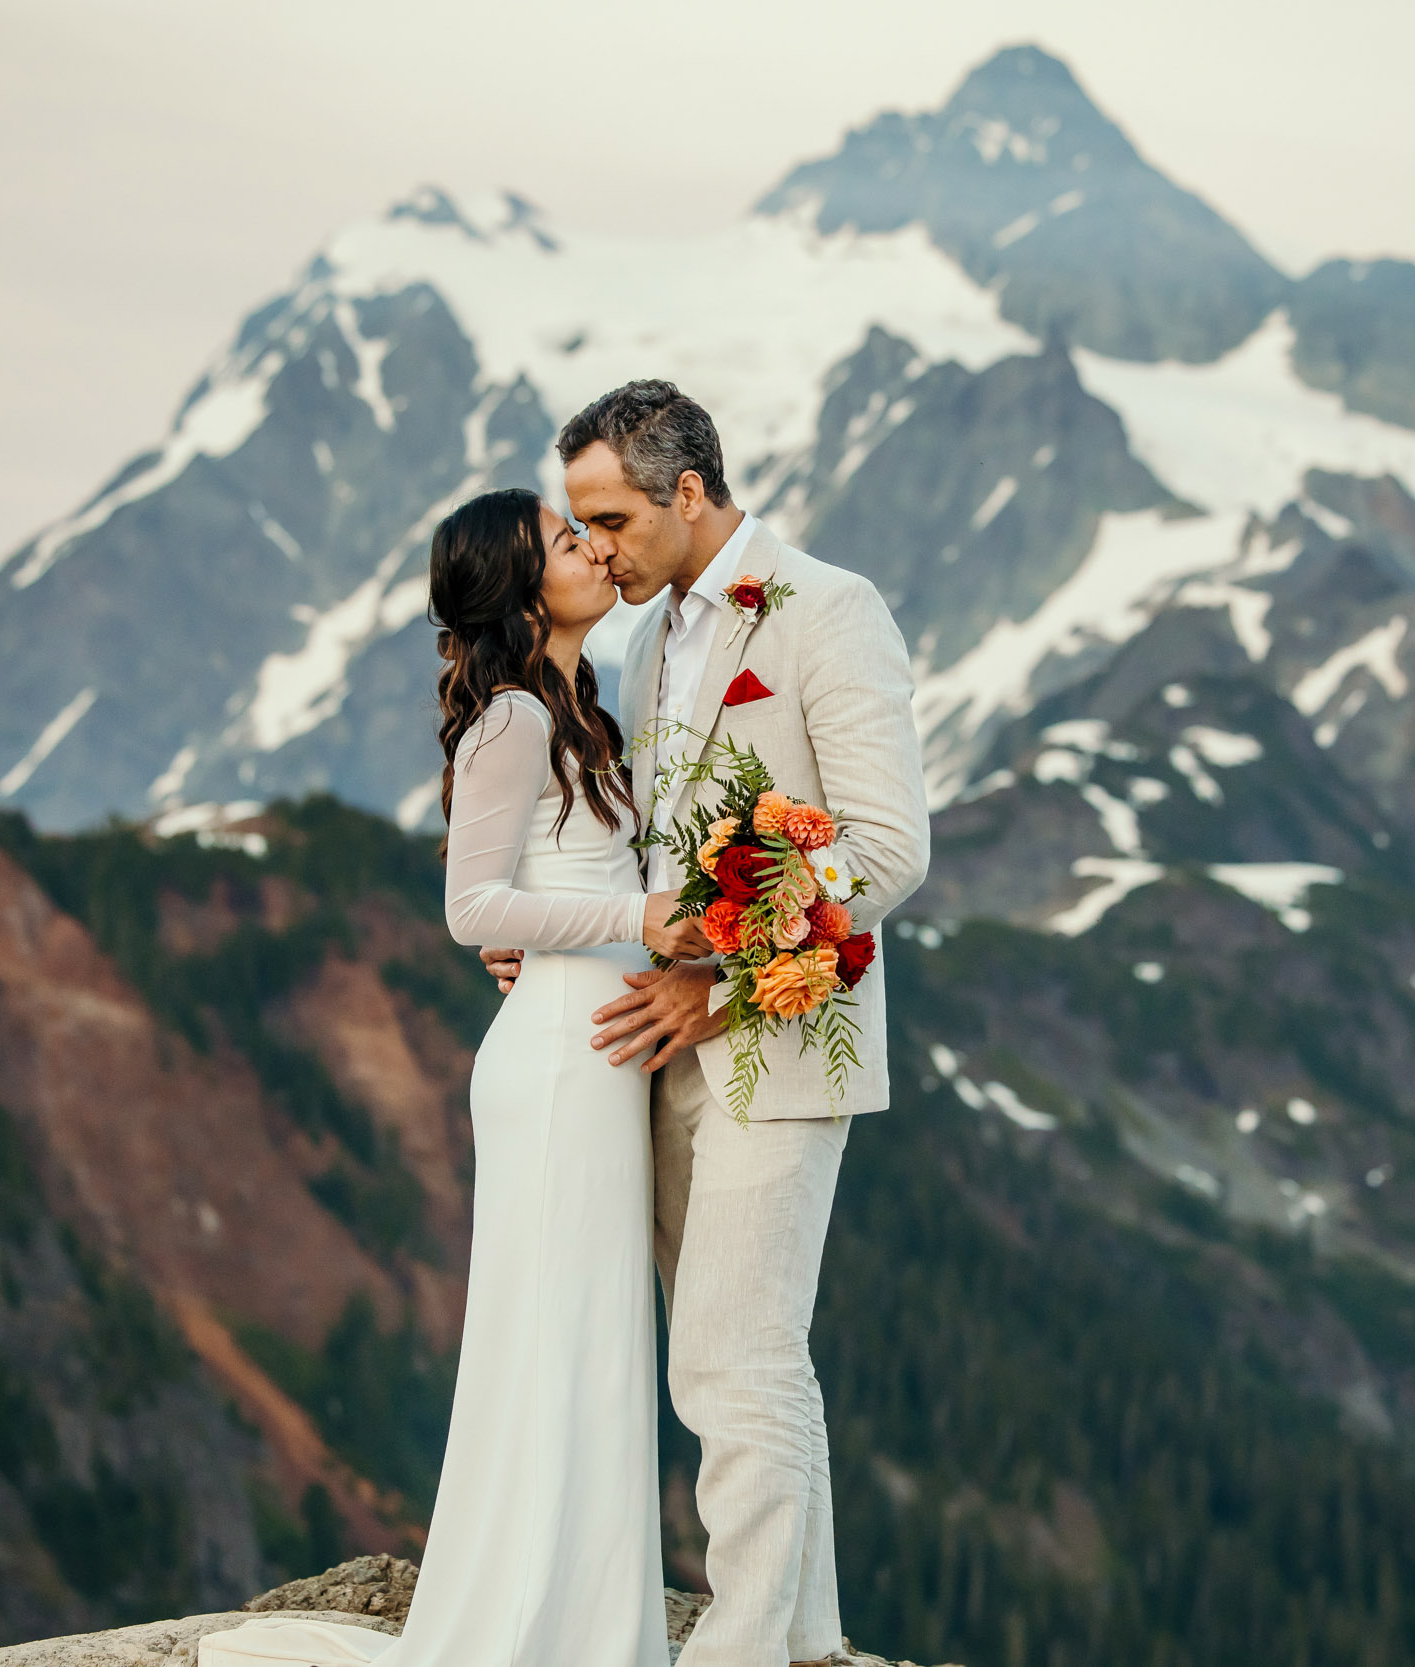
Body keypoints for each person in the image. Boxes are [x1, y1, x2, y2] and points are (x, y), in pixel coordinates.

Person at [204, 487, 709, 1667]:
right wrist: (639, 913)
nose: (591, 547)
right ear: (523, 585)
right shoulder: (513, 721)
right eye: (565, 538)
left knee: (588, 1334)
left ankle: (586, 1617)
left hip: (592, 1045)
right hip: (552, 1060)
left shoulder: (582, 709)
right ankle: (537, 1625)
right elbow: (468, 903)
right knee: (550, 1334)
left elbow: (531, 892)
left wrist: (604, 925)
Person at [483, 381, 931, 1667]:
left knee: (734, 1363)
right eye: (583, 521)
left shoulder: (827, 612)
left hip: (787, 1044)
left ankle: (738, 1650)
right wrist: (560, 927)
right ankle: (807, 1636)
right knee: (739, 1360)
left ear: (690, 493)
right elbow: (663, 862)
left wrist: (720, 980)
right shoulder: (645, 636)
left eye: (612, 517)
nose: (595, 546)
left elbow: (886, 848)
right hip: (661, 1052)